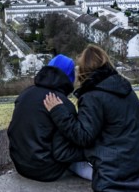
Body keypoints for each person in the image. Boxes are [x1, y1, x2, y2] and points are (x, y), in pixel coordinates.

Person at [43, 45, 139, 192]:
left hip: (116, 170)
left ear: (83, 71)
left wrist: (58, 111)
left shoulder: (92, 97)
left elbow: (83, 137)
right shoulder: (123, 86)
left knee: (64, 158)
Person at [7, 54, 85, 182]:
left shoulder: (25, 94)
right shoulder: (63, 104)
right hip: (47, 170)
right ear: (69, 78)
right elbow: (63, 152)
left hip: (20, 165)